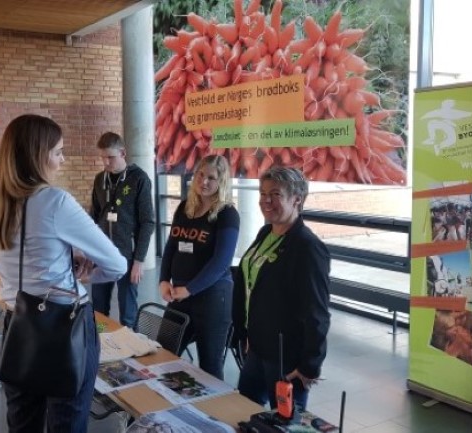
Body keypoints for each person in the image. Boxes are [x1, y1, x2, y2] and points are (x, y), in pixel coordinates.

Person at [0, 114, 126, 433]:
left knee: (23, 421)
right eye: (58, 152)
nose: (61, 161)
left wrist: (62, 255)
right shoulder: (54, 201)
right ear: (37, 155)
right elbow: (117, 264)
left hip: (17, 324)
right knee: (66, 422)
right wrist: (85, 276)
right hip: (67, 326)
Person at [233, 167, 331, 412]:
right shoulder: (266, 232)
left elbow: (317, 313)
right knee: (245, 412)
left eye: (275, 194)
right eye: (263, 193)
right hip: (257, 347)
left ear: (297, 198)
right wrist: (246, 333)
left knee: (284, 422)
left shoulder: (308, 247)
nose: (266, 200)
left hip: (286, 356)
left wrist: (310, 364)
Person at [159, 154, 240, 380]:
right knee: (162, 351)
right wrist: (163, 279)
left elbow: (221, 262)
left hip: (213, 299)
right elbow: (171, 247)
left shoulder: (227, 214)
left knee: (209, 367)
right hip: (180, 295)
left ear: (222, 182)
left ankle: (211, 415)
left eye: (211, 178)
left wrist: (190, 289)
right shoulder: (185, 208)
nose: (204, 182)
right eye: (200, 175)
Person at [90, 132, 155, 328]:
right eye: (102, 157)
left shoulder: (139, 179)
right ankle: (100, 350)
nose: (106, 162)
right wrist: (89, 252)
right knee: (98, 310)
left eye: (110, 157)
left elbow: (148, 222)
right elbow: (94, 217)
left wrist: (139, 261)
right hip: (101, 254)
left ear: (123, 153)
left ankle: (129, 354)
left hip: (127, 255)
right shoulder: (100, 179)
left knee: (127, 313)